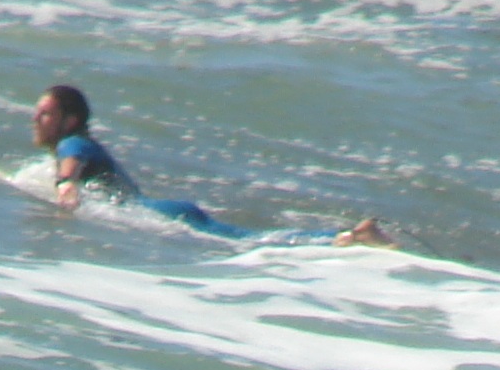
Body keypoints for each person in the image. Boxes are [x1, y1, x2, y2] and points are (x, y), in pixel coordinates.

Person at [30, 84, 389, 248]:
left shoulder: (72, 143)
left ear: (70, 120)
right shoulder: (79, 142)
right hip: (163, 209)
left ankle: (351, 237)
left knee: (254, 242)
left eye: (46, 113)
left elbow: (70, 167)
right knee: (252, 240)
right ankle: (348, 236)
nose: (37, 118)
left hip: (164, 214)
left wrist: (65, 187)